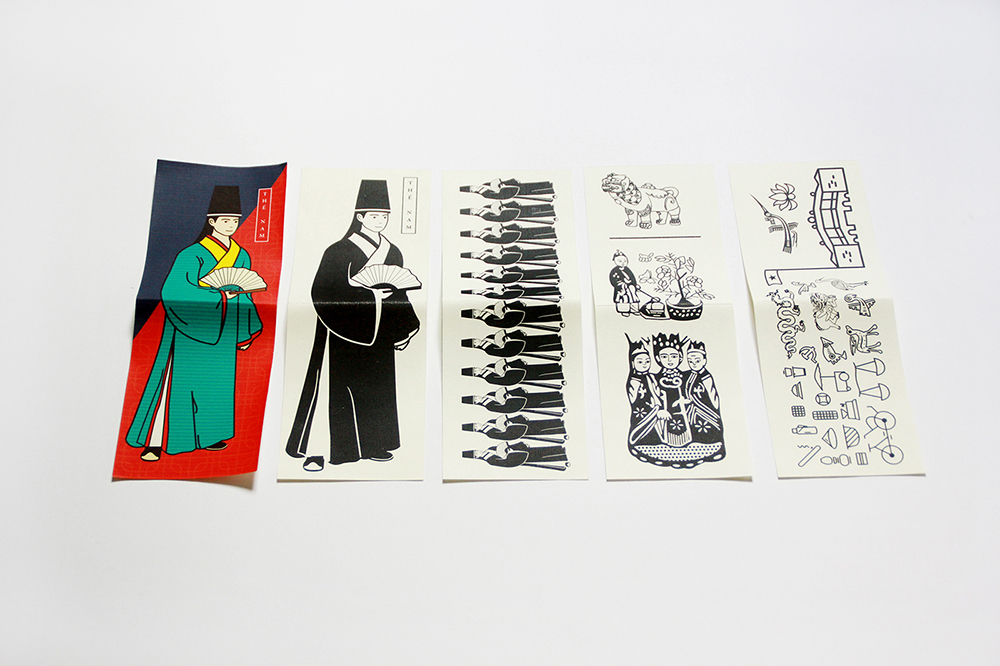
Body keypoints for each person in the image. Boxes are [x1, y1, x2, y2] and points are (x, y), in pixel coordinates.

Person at [286, 180, 420, 468]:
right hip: (342, 331)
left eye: (384, 216)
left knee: (378, 387)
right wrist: (370, 295)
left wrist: (405, 327)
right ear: (359, 216)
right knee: (340, 388)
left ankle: (375, 444)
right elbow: (322, 291)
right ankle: (335, 450)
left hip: (380, 331)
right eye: (374, 216)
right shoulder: (338, 251)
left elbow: (399, 290)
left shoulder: (393, 251)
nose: (380, 221)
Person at [126, 185, 262, 462]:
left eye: (235, 221)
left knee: (217, 385)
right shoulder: (191, 254)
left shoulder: (242, 255)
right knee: (180, 384)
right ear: (212, 221)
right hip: (189, 330)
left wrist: (245, 331)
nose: (231, 226)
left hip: (224, 331)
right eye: (226, 220)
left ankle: (209, 435)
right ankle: (158, 441)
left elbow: (245, 294)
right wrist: (220, 295)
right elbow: (174, 291)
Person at [681, 340, 725, 453]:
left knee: (705, 428)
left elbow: (713, 396)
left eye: (697, 361)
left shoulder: (706, 377)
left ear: (704, 360)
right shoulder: (689, 375)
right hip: (692, 410)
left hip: (704, 409)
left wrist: (714, 410)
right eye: (690, 361)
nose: (694, 363)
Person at [652, 332, 690, 448]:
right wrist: (659, 410)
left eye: (673, 356)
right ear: (658, 358)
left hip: (686, 418)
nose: (669, 360)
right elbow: (651, 397)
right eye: (664, 356)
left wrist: (687, 401)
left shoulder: (687, 376)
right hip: (664, 420)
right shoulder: (654, 378)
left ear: (680, 357)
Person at [625, 336, 662, 449]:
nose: (644, 364)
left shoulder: (651, 377)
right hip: (643, 411)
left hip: (654, 410)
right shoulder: (634, 380)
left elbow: (657, 392)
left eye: (647, 361)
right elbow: (633, 400)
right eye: (640, 362)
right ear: (633, 363)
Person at [609, 251, 640, 315]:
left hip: (630, 288)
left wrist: (635, 284)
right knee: (623, 299)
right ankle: (624, 311)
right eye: (620, 261)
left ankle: (634, 309)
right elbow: (613, 280)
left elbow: (632, 278)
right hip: (621, 289)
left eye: (625, 261)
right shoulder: (614, 271)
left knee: (632, 297)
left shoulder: (627, 269)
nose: (623, 263)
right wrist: (623, 283)